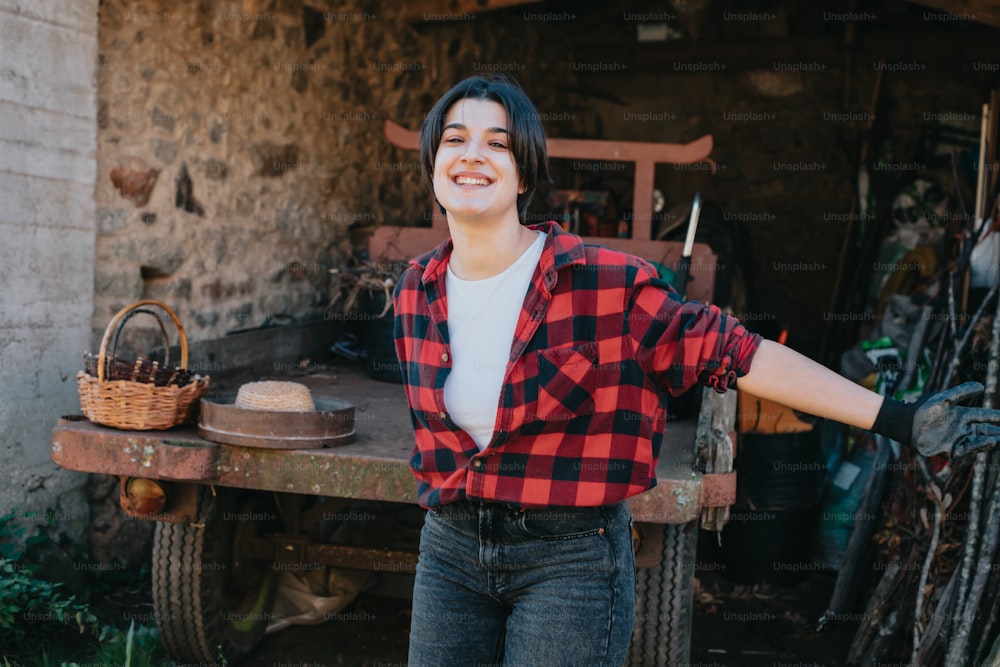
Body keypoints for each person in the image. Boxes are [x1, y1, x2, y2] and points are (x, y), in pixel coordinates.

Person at [392, 74, 1000, 667]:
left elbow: (741, 355)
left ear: (523, 170)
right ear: (433, 161)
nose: (473, 154)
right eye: (455, 138)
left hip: (568, 558)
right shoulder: (416, 290)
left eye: (497, 142)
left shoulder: (606, 284)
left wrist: (900, 418)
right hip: (449, 550)